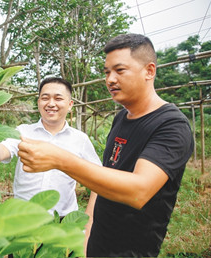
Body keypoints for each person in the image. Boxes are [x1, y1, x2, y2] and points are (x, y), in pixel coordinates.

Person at [17, 34, 194, 257]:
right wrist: (87, 233)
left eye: (119, 70)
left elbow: (139, 192)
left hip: (130, 250)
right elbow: (104, 178)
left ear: (149, 71)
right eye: (107, 72)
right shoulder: (122, 118)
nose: (110, 79)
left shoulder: (171, 125)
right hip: (98, 244)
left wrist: (60, 160)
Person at [0, 77, 101, 217]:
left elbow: (99, 179)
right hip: (24, 218)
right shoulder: (23, 131)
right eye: (45, 98)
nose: (51, 103)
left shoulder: (80, 140)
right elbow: (2, 152)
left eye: (58, 98)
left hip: (62, 221)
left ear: (70, 104)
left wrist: (89, 219)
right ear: (39, 102)